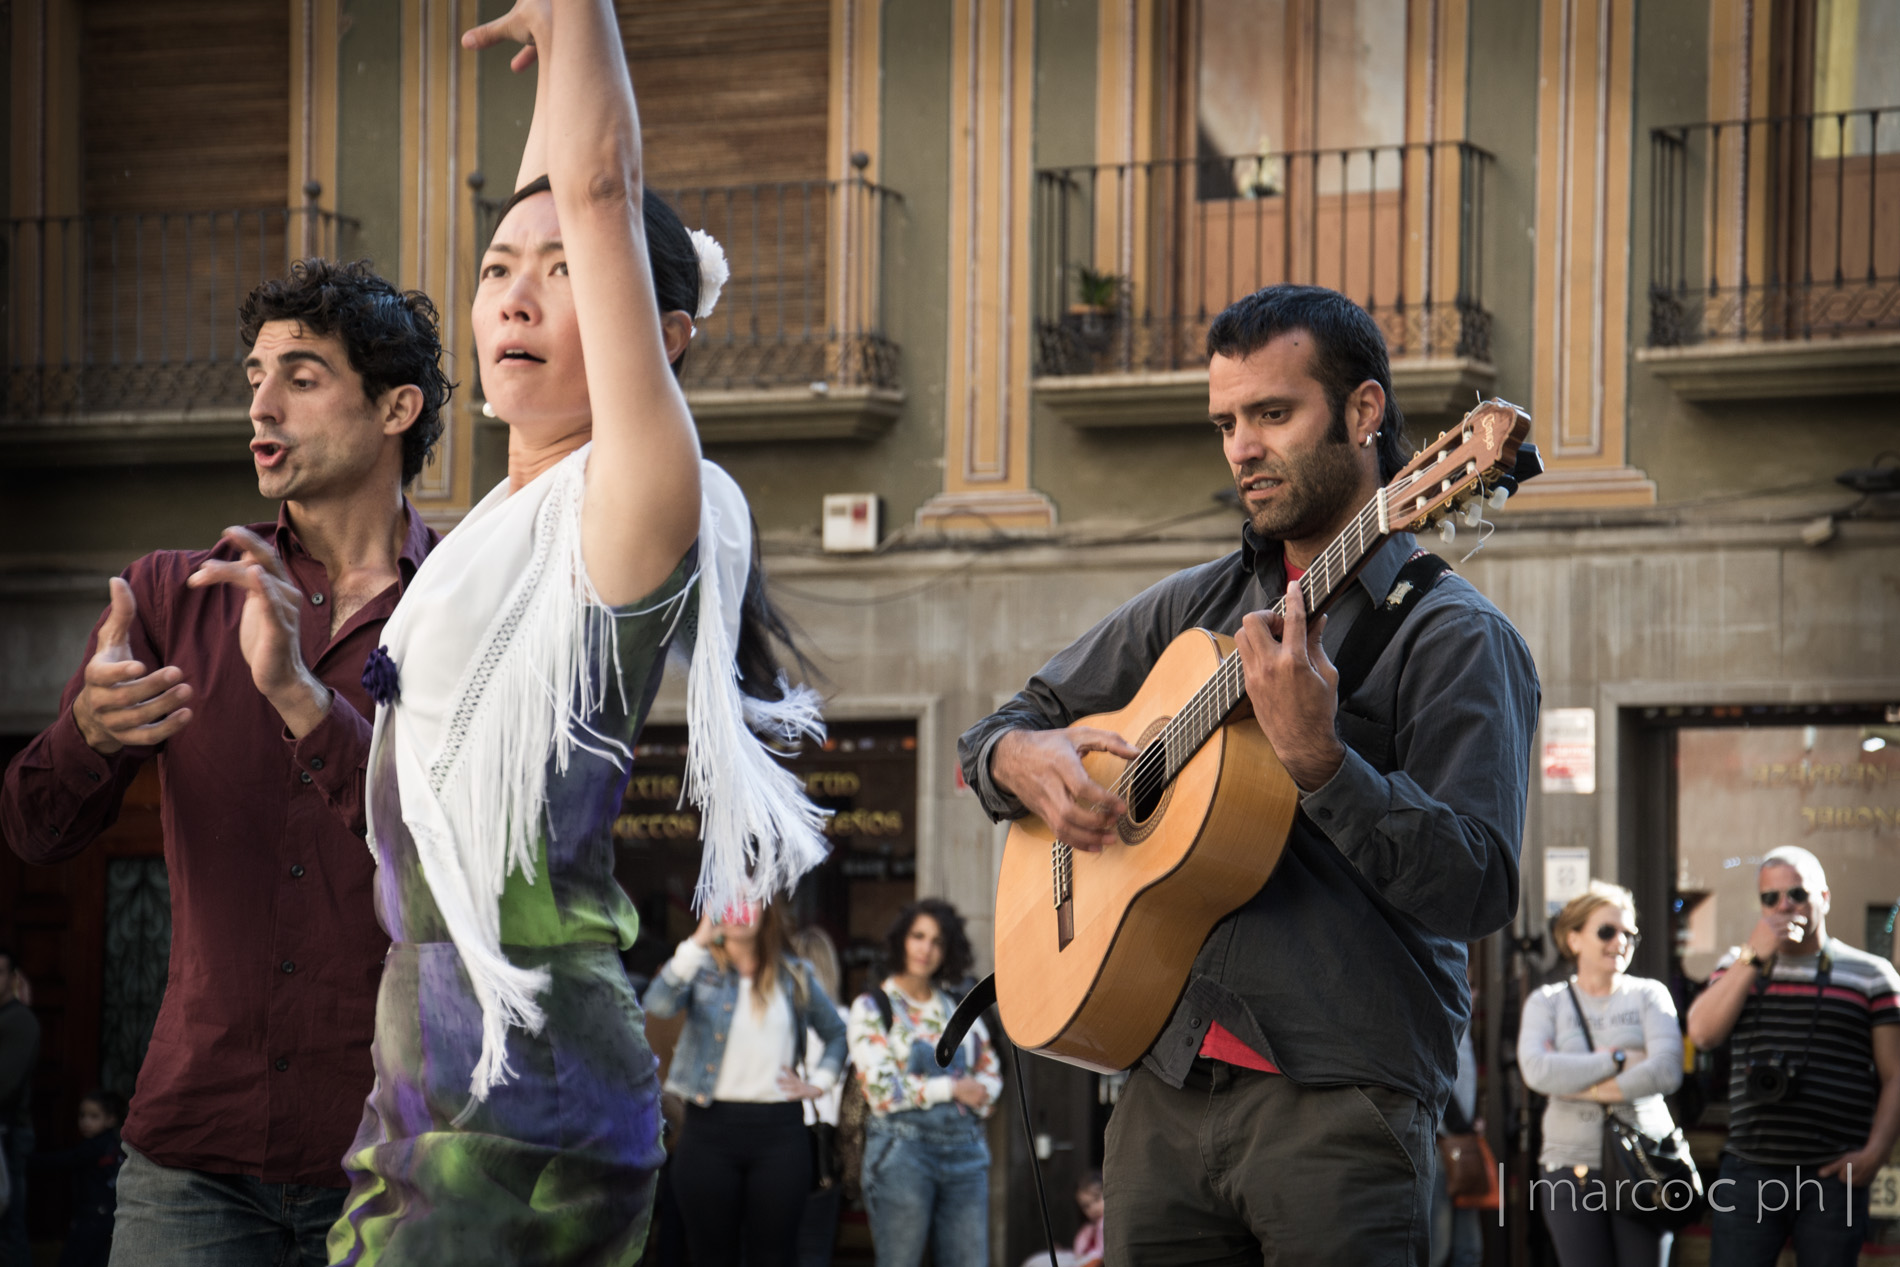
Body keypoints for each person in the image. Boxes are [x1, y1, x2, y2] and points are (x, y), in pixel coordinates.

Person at [325, 3, 829, 1263]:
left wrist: (582, 15)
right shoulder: (501, 526)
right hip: (440, 1054)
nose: (518, 294)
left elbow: (598, 189)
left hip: (530, 1082)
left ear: (658, 339)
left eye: (562, 272)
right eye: (498, 266)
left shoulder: (632, 500)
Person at [958, 283, 1539, 1264]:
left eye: (1272, 413)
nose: (1240, 447)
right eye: (1226, 421)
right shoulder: (1198, 604)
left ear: (1364, 412)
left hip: (1340, 1102)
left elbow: (1475, 884)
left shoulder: (1453, 637)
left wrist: (1321, 760)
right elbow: (1009, 723)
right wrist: (1021, 760)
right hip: (1162, 1088)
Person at [1, 259, 448, 1267]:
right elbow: (31, 827)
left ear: (396, 407)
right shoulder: (171, 595)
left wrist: (304, 699)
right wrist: (90, 735)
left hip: (401, 1164)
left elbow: (460, 864)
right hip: (191, 1160)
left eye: (301, 373)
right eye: (254, 373)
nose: (260, 400)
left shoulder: (464, 610)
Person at [1685, 845, 1900, 1266]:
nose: (1785, 906)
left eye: (1797, 894)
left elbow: (1896, 1075)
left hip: (1834, 1174)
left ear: (1824, 897)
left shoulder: (1871, 974)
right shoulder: (1739, 965)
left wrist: (1875, 1154)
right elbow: (1702, 1034)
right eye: (1771, 898)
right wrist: (1752, 955)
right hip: (1749, 1170)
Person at [642, 905, 846, 1266]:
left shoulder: (794, 974)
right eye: (729, 897)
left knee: (775, 1256)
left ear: (767, 910)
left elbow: (836, 1034)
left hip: (780, 1133)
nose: (739, 908)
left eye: (749, 898)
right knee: (710, 1256)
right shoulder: (700, 969)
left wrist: (819, 1083)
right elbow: (657, 1003)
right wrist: (697, 942)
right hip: (709, 1129)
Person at [1518, 883, 1684, 1267]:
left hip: (1646, 1163)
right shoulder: (1547, 1003)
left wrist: (1577, 1087)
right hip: (1570, 1168)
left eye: (1629, 933)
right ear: (1573, 939)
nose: (1620, 941)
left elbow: (1666, 1070)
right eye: (1607, 931)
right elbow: (1539, 1071)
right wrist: (1620, 1058)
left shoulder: (1650, 995)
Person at [848, 899, 1002, 1267]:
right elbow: (882, 1091)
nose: (926, 949)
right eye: (918, 936)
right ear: (902, 940)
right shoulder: (873, 1007)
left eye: (937, 941)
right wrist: (952, 1089)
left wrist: (981, 1094)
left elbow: (991, 1070)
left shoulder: (954, 1006)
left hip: (966, 1153)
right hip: (902, 1154)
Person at [787, 925, 850, 1267]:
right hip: (824, 1144)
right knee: (814, 1249)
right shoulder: (846, 1021)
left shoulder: (778, 1019)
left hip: (777, 1137)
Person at [30, 1089, 128, 1267]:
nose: (85, 1122)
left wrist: (28, 1160)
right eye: (82, 1115)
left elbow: (68, 1159)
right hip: (106, 1215)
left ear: (111, 1119)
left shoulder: (96, 1147)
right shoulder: (112, 1145)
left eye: (94, 1116)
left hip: (92, 1217)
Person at [1430, 1027, 1484, 1267]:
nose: (1472, 993)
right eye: (1469, 986)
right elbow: (1435, 1076)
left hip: (1461, 1144)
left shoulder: (1466, 1029)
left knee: (1469, 1248)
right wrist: (1463, 1125)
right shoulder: (1440, 1010)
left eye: (1474, 987)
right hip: (1438, 1141)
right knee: (1436, 1246)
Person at [0, 948, 38, 1267]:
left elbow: (4, 1087)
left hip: (10, 1134)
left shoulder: (18, 1020)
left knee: (10, 1226)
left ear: (12, 979)